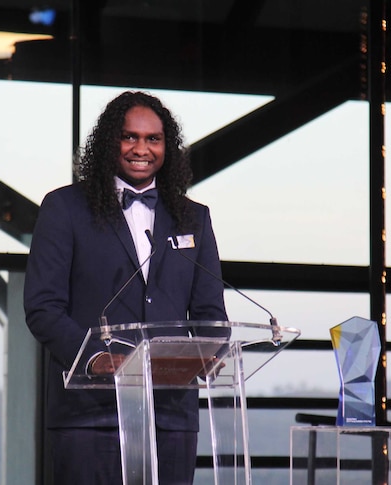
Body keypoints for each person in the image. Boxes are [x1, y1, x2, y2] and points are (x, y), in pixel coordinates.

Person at [24, 90, 229, 484]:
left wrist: (211, 350)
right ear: (109, 143)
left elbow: (209, 313)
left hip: (170, 416)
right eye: (130, 137)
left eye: (153, 139)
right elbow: (43, 307)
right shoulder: (65, 208)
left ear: (167, 147)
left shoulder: (193, 218)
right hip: (89, 413)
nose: (142, 148)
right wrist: (96, 359)